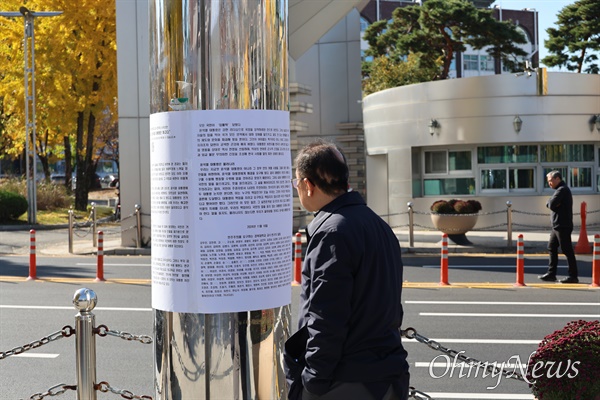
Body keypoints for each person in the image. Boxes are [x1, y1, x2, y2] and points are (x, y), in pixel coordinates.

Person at [284, 140, 409, 400]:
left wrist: (312, 382)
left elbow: (325, 316)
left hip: (346, 379)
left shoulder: (331, 232)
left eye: (296, 184)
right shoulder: (378, 225)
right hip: (387, 373)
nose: (298, 190)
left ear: (308, 185)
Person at [538, 171, 579, 284]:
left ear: (557, 179)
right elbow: (551, 203)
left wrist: (551, 203)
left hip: (563, 225)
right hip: (556, 225)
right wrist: (551, 202)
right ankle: (551, 274)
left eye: (550, 181)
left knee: (567, 250)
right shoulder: (559, 190)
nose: (549, 183)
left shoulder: (562, 190)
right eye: (548, 181)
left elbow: (551, 204)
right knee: (551, 247)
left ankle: (573, 276)